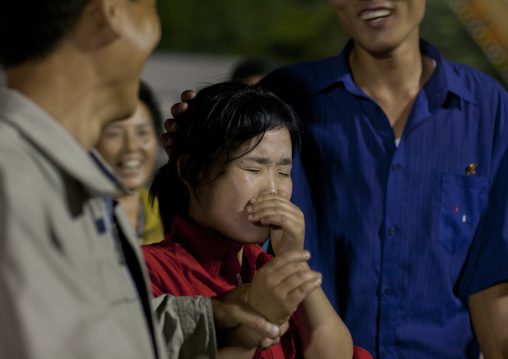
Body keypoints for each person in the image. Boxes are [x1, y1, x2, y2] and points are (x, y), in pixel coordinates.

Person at [163, 0, 508, 357]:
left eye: (282, 169)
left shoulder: (490, 109)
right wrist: (196, 129)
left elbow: (492, 276)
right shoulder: (288, 92)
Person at [0, 1, 297, 358]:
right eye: (151, 6)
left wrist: (208, 316)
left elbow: (91, 324)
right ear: (111, 12)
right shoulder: (15, 180)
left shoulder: (65, 174)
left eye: (283, 170)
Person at [143, 81, 372, 359]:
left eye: (284, 172)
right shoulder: (148, 270)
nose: (274, 190)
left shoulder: (267, 268)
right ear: (192, 170)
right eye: (254, 168)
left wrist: (293, 259)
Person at [96, 80, 164, 245]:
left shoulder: (171, 218)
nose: (131, 147)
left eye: (142, 133)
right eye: (115, 133)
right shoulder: (76, 217)